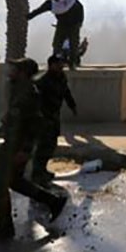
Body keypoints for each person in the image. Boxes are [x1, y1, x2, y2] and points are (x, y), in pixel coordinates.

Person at [0, 58, 67, 241]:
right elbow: (11, 118)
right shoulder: (19, 89)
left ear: (23, 72)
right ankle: (53, 201)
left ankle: (5, 228)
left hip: (16, 147)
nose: (10, 70)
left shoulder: (29, 92)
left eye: (15, 68)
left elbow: (36, 124)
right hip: (12, 144)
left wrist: (26, 150)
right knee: (15, 181)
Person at [30, 55, 77, 184]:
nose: (62, 66)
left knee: (51, 145)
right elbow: (34, 101)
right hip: (43, 118)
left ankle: (42, 170)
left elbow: (66, 92)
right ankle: (37, 173)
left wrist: (72, 105)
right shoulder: (42, 81)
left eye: (62, 63)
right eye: (59, 63)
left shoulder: (61, 77)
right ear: (52, 65)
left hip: (54, 116)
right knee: (42, 145)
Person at [27, 0, 85, 69]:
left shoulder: (71, 1)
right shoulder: (51, 3)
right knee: (57, 44)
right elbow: (39, 10)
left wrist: (79, 22)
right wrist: (28, 17)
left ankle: (72, 64)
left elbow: (80, 9)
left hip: (73, 25)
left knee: (73, 44)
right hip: (62, 25)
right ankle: (55, 63)